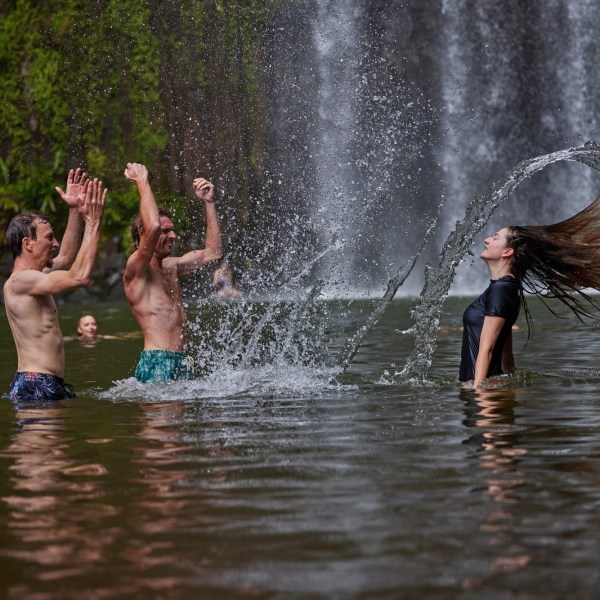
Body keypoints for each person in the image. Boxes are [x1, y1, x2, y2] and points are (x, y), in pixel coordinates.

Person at [460, 195, 600, 389]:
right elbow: (506, 353)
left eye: (495, 237)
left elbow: (488, 348)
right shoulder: (505, 288)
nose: (486, 240)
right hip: (489, 389)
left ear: (507, 252)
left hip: (484, 395)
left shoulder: (502, 290)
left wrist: (478, 394)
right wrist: (509, 385)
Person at [3, 171, 107, 401]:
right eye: (49, 238)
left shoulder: (36, 277)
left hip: (43, 382)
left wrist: (74, 210)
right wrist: (93, 221)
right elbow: (79, 276)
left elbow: (68, 257)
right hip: (35, 384)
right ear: (27, 244)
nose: (55, 243)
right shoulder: (20, 282)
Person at [123, 163, 223, 382]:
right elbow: (153, 228)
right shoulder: (137, 268)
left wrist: (209, 203)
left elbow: (213, 253)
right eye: (167, 231)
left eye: (173, 230)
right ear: (143, 234)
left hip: (182, 360)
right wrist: (142, 181)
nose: (174, 236)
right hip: (157, 361)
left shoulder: (172, 266)